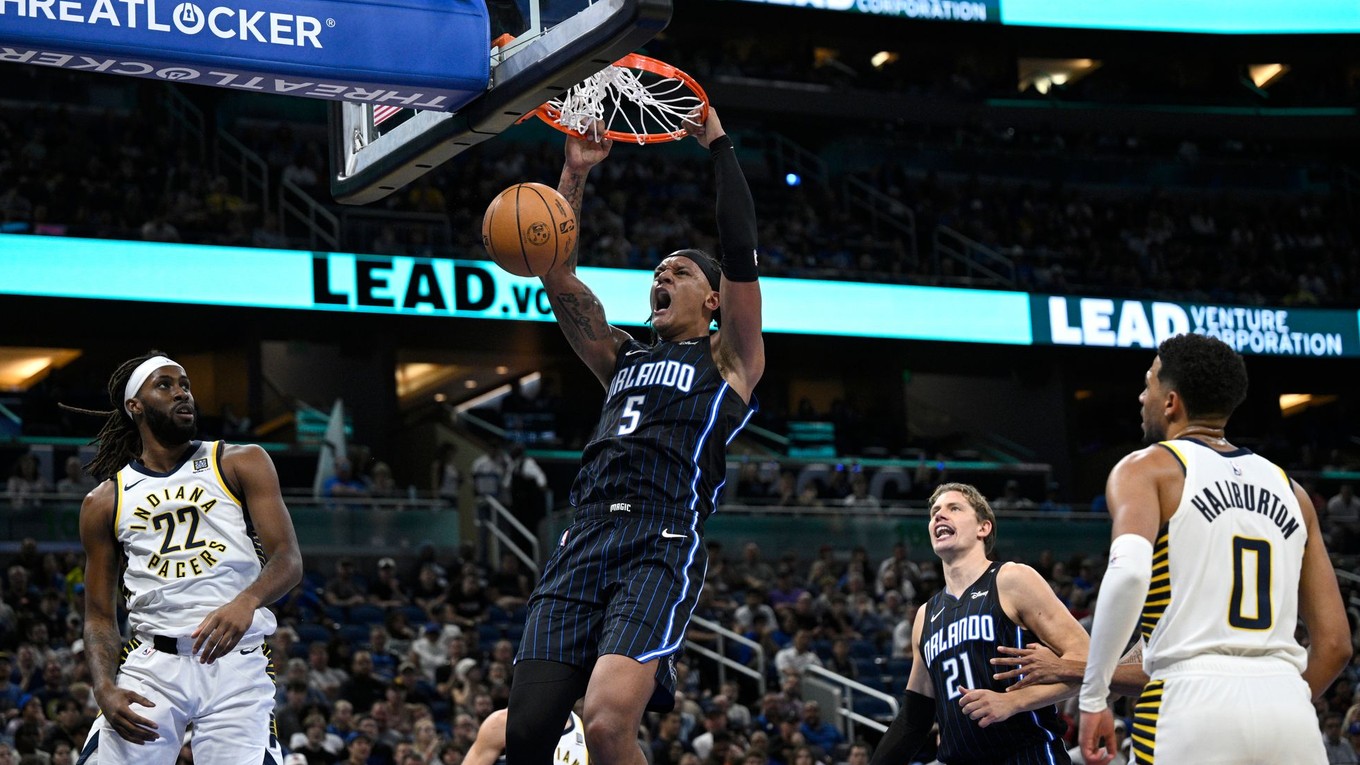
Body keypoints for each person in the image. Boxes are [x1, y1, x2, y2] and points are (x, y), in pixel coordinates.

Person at [506, 107, 764, 765]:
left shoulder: (728, 358)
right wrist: (573, 173)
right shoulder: (620, 355)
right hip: (584, 534)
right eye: (657, 271)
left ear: (713, 301)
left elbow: (738, 247)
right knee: (528, 731)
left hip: (660, 535)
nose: (662, 276)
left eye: (679, 272)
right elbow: (558, 276)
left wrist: (718, 143)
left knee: (607, 720)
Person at [1077, 334, 1352, 765]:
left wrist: (1094, 696)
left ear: (1170, 402)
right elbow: (1335, 643)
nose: (1141, 395)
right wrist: (1282, 697)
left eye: (1148, 382)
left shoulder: (1147, 468)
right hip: (1288, 707)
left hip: (1190, 701)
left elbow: (1129, 574)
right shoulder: (1293, 491)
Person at [67, 351, 303, 764]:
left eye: (185, 385)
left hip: (236, 664)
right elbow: (100, 616)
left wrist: (246, 601)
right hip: (153, 665)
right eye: (165, 385)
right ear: (134, 406)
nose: (182, 393)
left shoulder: (240, 461)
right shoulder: (104, 501)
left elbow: (287, 559)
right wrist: (103, 687)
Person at [868, 483, 1090, 765]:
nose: (939, 516)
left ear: (983, 528)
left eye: (954, 508)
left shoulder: (1012, 579)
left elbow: (1086, 663)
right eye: (934, 512)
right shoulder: (925, 615)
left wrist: (1014, 702)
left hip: (1027, 755)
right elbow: (914, 720)